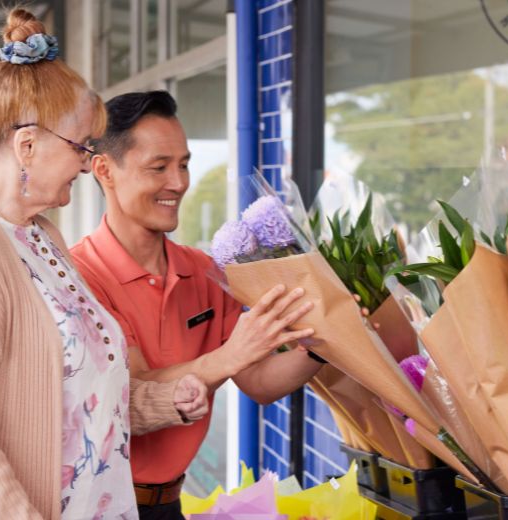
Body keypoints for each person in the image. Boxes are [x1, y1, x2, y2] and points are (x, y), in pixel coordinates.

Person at [0, 11, 212, 520]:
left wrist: (167, 401)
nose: (88, 165)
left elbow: (77, 396)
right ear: (28, 145)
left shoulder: (42, 237)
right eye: (82, 147)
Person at [71, 91, 323, 519]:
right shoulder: (80, 277)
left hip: (170, 504)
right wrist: (228, 356)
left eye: (184, 164)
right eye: (159, 167)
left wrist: (324, 341)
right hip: (98, 504)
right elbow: (130, 391)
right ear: (104, 170)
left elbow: (259, 382)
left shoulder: (204, 270)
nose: (179, 182)